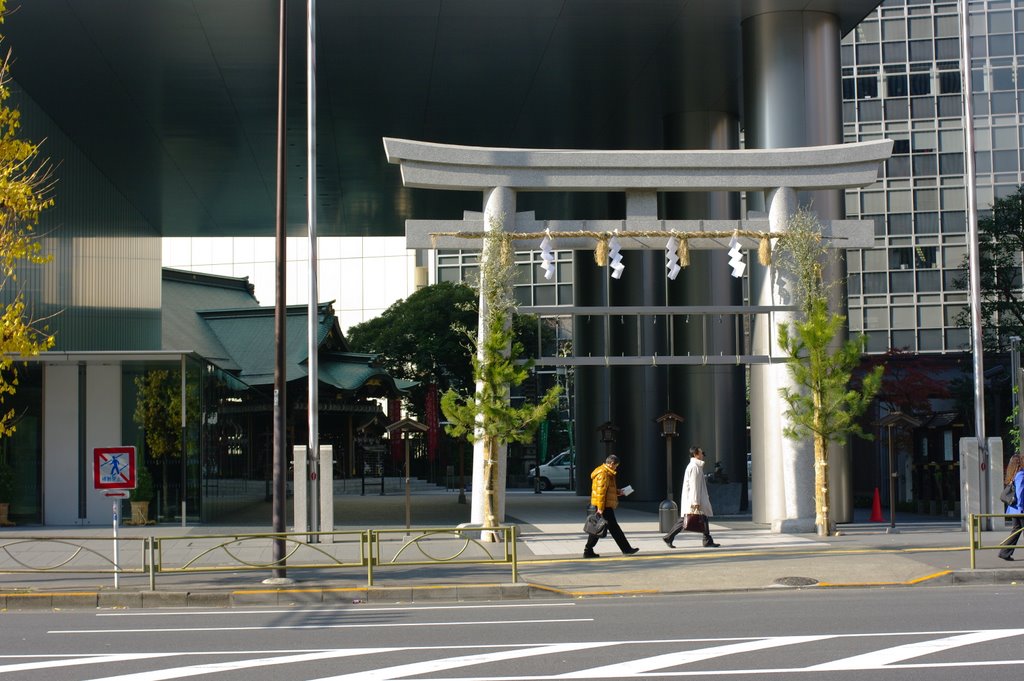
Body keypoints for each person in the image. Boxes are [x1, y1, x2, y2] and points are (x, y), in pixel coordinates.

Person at [662, 445, 720, 548]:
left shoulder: (695, 466)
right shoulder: (694, 467)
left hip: (695, 498)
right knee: (686, 520)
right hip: (695, 499)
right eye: (701, 453)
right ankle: (669, 537)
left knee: (701, 518)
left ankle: (707, 540)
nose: (703, 455)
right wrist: (695, 503)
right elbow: (694, 486)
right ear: (695, 454)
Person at [584, 454, 639, 558]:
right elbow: (601, 492)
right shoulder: (603, 473)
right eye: (616, 466)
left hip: (604, 505)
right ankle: (626, 549)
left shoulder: (605, 472)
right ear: (611, 463)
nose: (616, 468)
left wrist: (619, 492)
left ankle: (588, 550)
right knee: (607, 528)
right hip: (604, 506)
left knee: (600, 528)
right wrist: (600, 508)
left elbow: (607, 490)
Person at [998, 454, 1024, 561]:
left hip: (1013, 509)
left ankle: (1004, 552)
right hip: (1020, 509)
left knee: (1016, 530)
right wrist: (1021, 508)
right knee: (1017, 530)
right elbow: (1020, 493)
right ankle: (1004, 552)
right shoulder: (1021, 474)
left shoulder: (1013, 475)